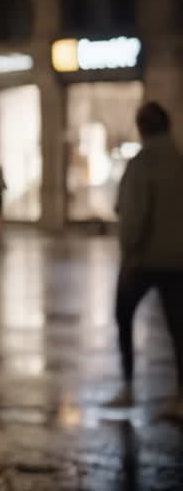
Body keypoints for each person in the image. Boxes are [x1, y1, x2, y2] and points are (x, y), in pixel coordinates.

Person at [107, 101, 183, 416]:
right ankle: (180, 396)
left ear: (141, 128)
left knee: (123, 316)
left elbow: (133, 218)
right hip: (178, 261)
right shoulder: (179, 161)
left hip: (143, 261)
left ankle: (127, 387)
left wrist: (128, 256)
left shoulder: (142, 163)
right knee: (178, 328)